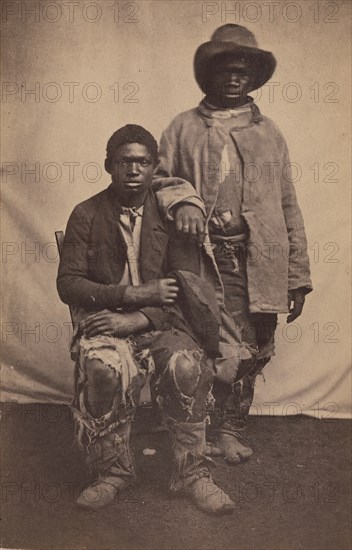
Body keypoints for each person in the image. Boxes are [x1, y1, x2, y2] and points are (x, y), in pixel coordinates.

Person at [153, 24, 313, 464]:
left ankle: (230, 429)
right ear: (211, 73)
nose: (234, 77)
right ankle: (195, 430)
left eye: (243, 70)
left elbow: (287, 203)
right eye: (226, 69)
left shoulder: (269, 132)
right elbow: (157, 178)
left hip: (257, 260)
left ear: (254, 76)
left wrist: (296, 276)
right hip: (198, 258)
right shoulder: (182, 127)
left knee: (252, 346)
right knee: (202, 341)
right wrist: (183, 199)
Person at [57, 124, 235, 514]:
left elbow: (187, 288)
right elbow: (68, 284)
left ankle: (192, 473)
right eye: (124, 162)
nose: (133, 170)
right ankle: (112, 471)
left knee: (185, 364)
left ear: (155, 168)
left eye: (142, 162)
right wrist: (128, 296)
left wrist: (137, 318)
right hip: (105, 320)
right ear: (108, 166)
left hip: (162, 323)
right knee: (104, 367)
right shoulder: (86, 214)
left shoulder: (173, 217)